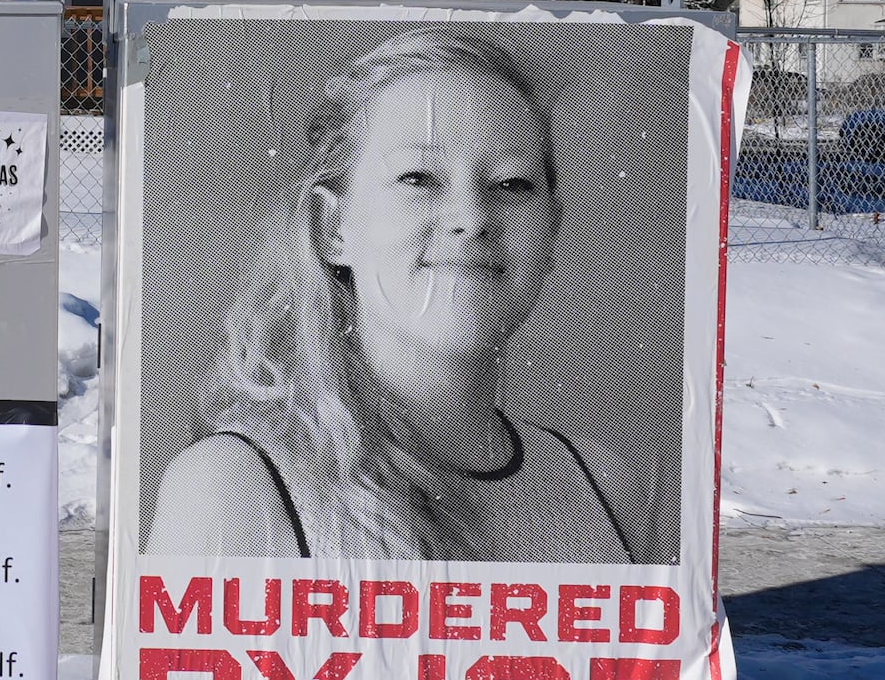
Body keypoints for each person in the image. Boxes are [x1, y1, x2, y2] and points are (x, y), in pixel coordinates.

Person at [147, 28, 651, 566]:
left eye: (511, 184)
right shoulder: (237, 491)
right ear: (332, 227)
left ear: (551, 228)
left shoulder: (591, 484)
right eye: (419, 177)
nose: (473, 218)